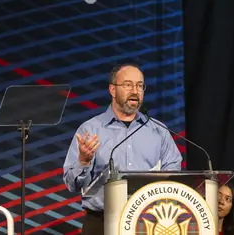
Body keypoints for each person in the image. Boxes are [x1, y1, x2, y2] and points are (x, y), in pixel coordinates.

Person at [62, 64, 182, 235]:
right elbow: (71, 184)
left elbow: (174, 174)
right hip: (101, 223)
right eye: (128, 85)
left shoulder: (158, 131)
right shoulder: (90, 130)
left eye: (140, 86)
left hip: (147, 223)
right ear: (112, 89)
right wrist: (83, 161)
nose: (135, 91)